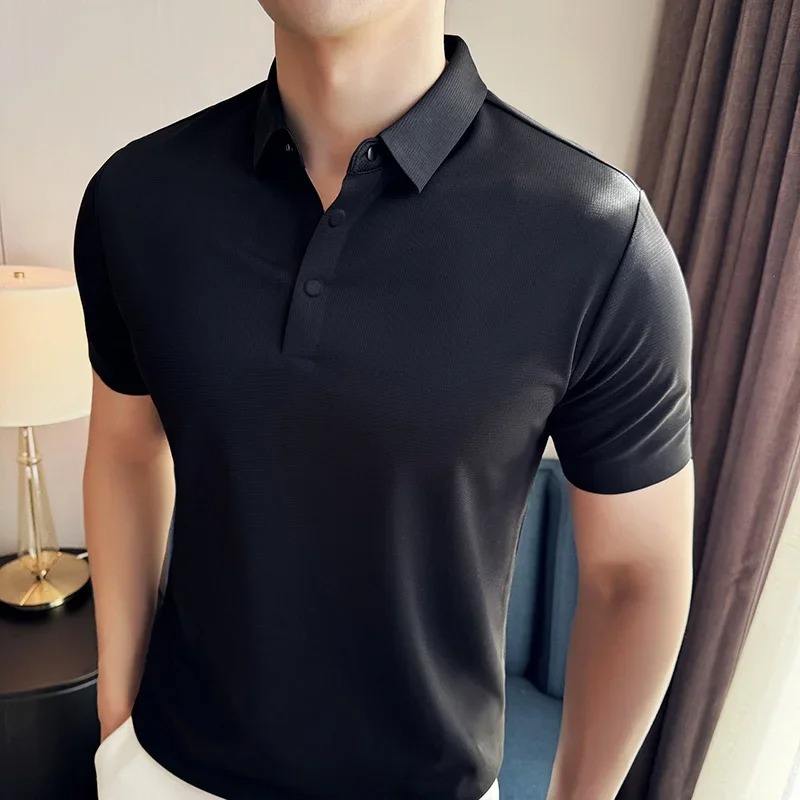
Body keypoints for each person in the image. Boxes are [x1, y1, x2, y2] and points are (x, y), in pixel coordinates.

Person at [74, 2, 696, 799]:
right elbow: (127, 446)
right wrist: (116, 716)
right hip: (166, 769)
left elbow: (635, 576)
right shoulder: (137, 198)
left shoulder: (598, 237)